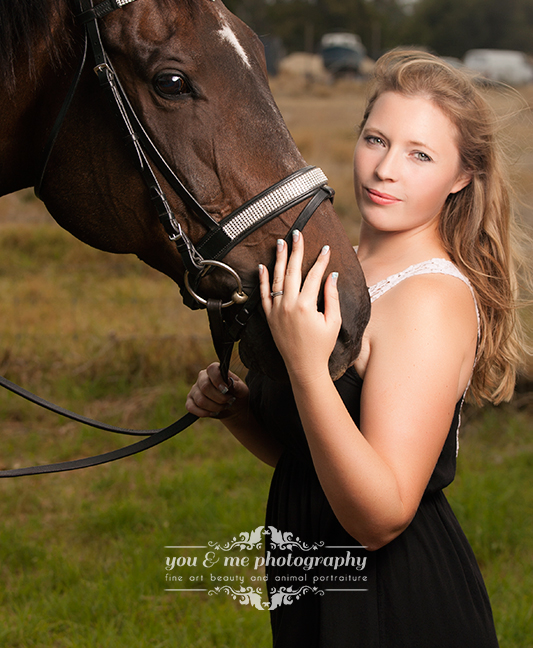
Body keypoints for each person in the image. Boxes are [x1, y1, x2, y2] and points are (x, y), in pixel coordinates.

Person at [186, 49, 527, 647]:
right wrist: (238, 411)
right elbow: (313, 463)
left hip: (391, 601)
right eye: (376, 139)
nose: (385, 169)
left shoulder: (430, 298)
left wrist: (306, 366)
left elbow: (381, 516)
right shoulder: (340, 267)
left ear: (462, 177)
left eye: (420, 154)